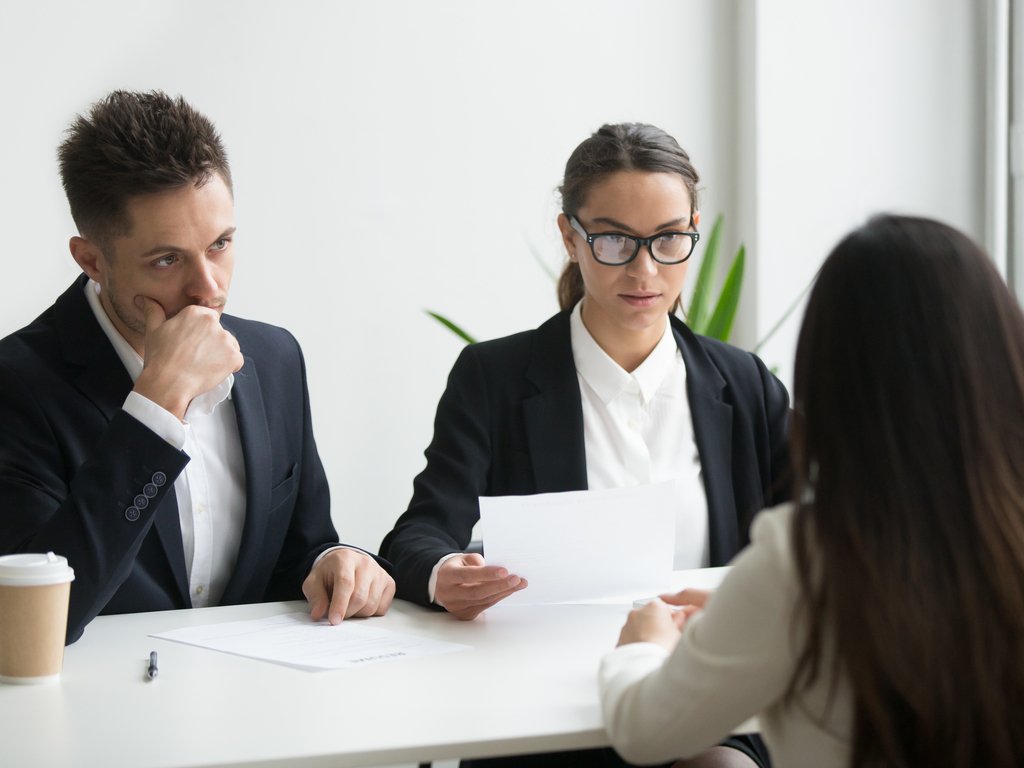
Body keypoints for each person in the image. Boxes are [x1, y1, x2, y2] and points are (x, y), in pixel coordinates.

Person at [381, 123, 789, 767]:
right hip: (541, 708)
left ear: (693, 230)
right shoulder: (495, 379)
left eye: (668, 239)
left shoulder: (744, 386)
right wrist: (443, 574)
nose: (645, 269)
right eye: (614, 240)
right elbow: (418, 534)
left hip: (702, 696)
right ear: (570, 236)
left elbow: (812, 541)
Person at [600, 214, 1024, 767]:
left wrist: (643, 646)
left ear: (831, 377)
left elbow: (645, 730)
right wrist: (746, 609)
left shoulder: (802, 564)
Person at [0, 90, 394, 644]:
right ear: (92, 260)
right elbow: (34, 620)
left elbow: (298, 551)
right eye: (167, 259)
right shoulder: (16, 385)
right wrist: (158, 401)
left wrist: (334, 560)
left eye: (220, 244)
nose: (208, 288)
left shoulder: (276, 359)